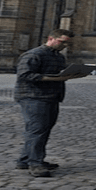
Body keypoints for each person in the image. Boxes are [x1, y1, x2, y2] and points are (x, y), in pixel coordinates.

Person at [14, 29, 77, 177]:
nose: (65, 45)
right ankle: (35, 163)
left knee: (43, 129)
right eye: (62, 41)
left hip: (51, 96)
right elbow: (25, 75)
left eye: (67, 43)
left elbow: (58, 74)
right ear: (51, 38)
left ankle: (24, 160)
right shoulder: (34, 54)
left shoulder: (59, 57)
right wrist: (53, 79)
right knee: (37, 129)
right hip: (33, 97)